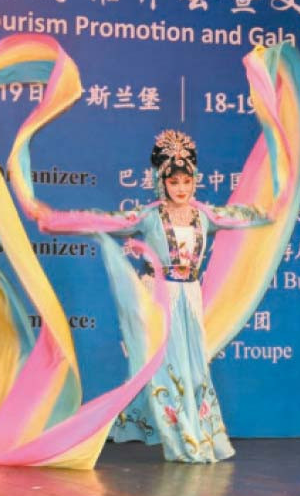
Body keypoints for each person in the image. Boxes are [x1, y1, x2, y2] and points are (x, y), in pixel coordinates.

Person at [106, 129, 268, 463]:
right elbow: (110, 222)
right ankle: (183, 437)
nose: (181, 188)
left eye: (186, 181)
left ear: (195, 181)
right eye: (174, 182)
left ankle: (194, 429)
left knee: (194, 368)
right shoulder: (150, 215)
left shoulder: (203, 215)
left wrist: (279, 204)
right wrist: (64, 220)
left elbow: (245, 217)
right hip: (161, 298)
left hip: (190, 298)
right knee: (166, 365)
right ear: (161, 181)